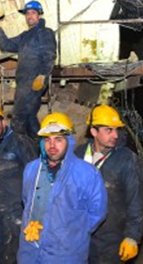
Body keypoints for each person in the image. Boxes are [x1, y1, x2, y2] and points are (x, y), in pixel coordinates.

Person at [18, 112, 107, 264]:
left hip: (66, 254)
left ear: (69, 141)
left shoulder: (87, 173)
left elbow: (97, 212)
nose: (52, 146)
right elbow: (27, 201)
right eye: (47, 140)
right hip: (31, 250)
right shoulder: (31, 169)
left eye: (58, 139)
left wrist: (71, 232)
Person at [76, 105, 143, 263]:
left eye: (116, 130)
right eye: (109, 130)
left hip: (111, 239)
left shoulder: (126, 159)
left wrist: (132, 237)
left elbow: (136, 201)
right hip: (81, 238)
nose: (115, 135)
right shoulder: (78, 155)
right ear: (94, 132)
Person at [0, 102, 38, 264]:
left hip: (17, 212)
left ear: (3, 122)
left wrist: (35, 214)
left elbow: (37, 178)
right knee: (0, 254)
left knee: (18, 255)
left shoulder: (20, 142)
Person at [0, 0, 57, 138]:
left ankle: (20, 147)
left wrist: (43, 75)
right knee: (28, 117)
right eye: (27, 14)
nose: (29, 16)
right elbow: (6, 45)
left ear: (39, 15)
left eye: (33, 13)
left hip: (34, 82)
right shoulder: (25, 36)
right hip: (23, 83)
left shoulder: (45, 33)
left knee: (19, 119)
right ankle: (39, 146)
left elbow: (50, 55)